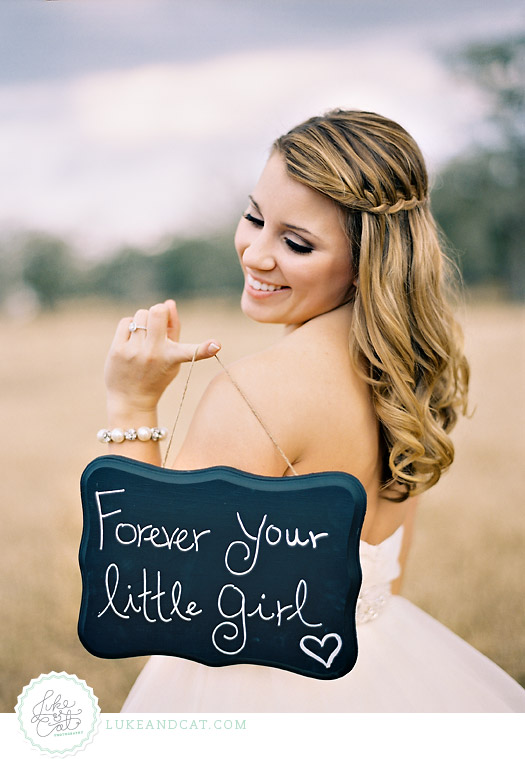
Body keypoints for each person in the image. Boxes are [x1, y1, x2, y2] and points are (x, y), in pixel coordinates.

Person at [101, 109, 525, 712]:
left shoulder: (256, 394)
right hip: (388, 671)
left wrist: (132, 400)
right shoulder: (405, 378)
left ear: (366, 261)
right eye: (254, 216)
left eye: (296, 242)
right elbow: (389, 579)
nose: (255, 253)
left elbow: (149, 599)